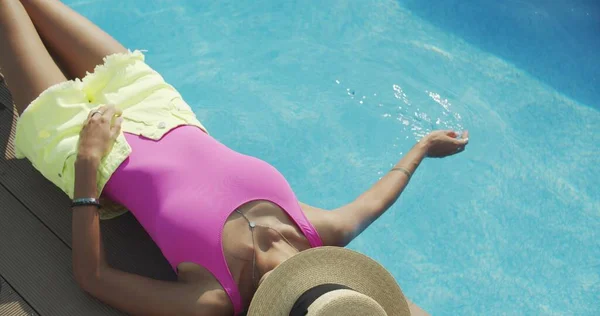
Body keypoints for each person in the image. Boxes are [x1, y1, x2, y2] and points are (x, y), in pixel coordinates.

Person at [0, 0, 469, 315]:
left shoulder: (212, 299)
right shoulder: (320, 232)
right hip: (154, 102)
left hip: (79, 143)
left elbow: (93, 277)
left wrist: (86, 166)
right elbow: (378, 198)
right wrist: (424, 147)